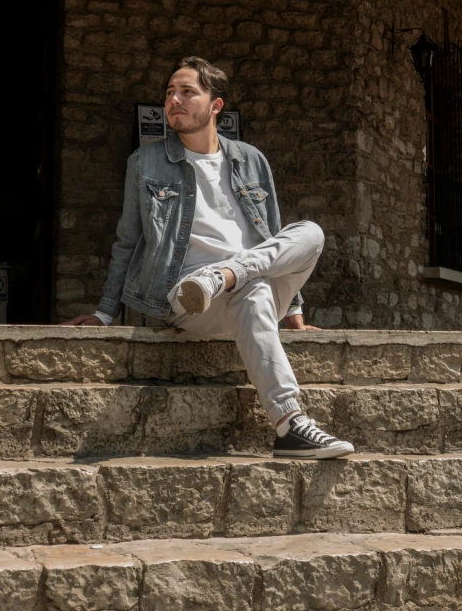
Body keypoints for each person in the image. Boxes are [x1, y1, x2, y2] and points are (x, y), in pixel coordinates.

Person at [65, 56, 354, 459]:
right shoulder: (144, 163)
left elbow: (272, 237)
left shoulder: (251, 160)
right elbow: (127, 241)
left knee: (310, 233)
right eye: (169, 93)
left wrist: (294, 315)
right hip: (189, 296)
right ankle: (290, 424)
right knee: (252, 291)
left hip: (243, 280)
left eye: (187, 92)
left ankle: (226, 274)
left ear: (215, 106)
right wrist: (105, 312)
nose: (174, 100)